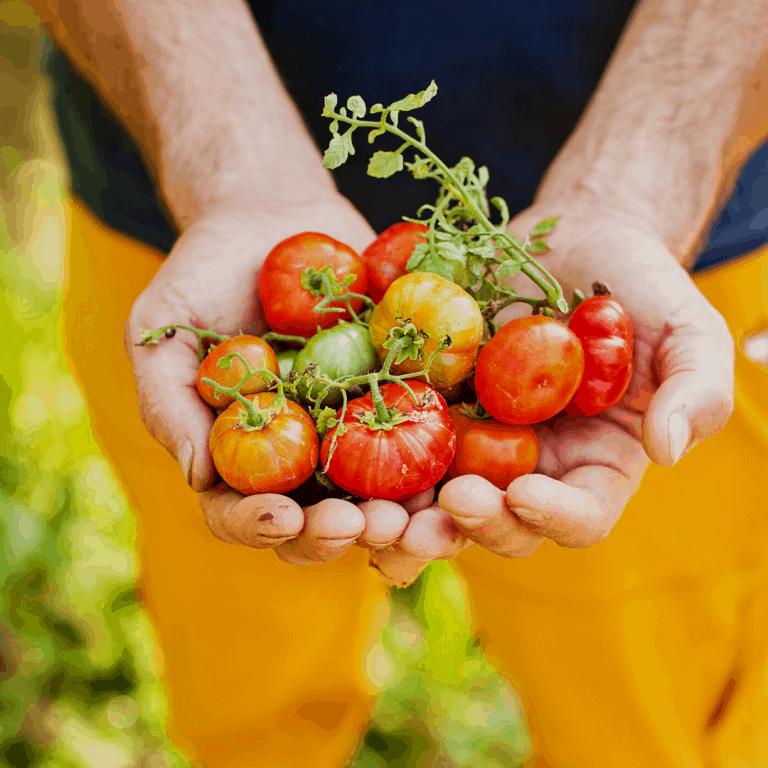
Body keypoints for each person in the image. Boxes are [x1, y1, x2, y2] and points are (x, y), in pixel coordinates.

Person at [36, 0, 768, 765]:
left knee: (648, 704)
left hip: (668, 241)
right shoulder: (237, 352)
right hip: (194, 224)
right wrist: (226, 163)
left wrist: (637, 188)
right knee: (239, 662)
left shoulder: (582, 341)